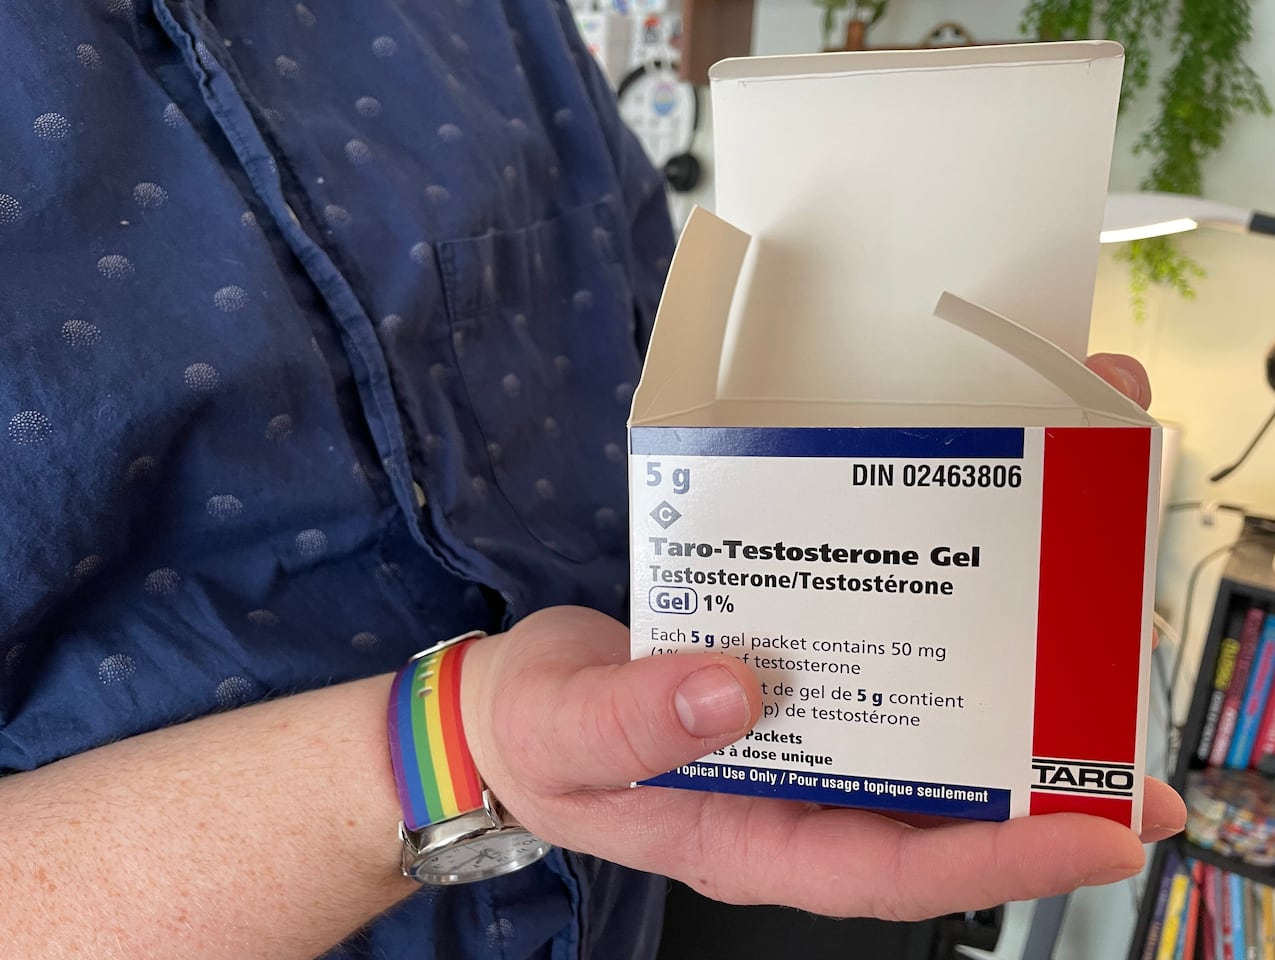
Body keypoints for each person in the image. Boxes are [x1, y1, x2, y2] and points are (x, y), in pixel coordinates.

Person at [0, 3, 1183, 958]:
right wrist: (470, 744)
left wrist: (933, 556)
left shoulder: (489, 24)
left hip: (679, 870)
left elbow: (674, 397)